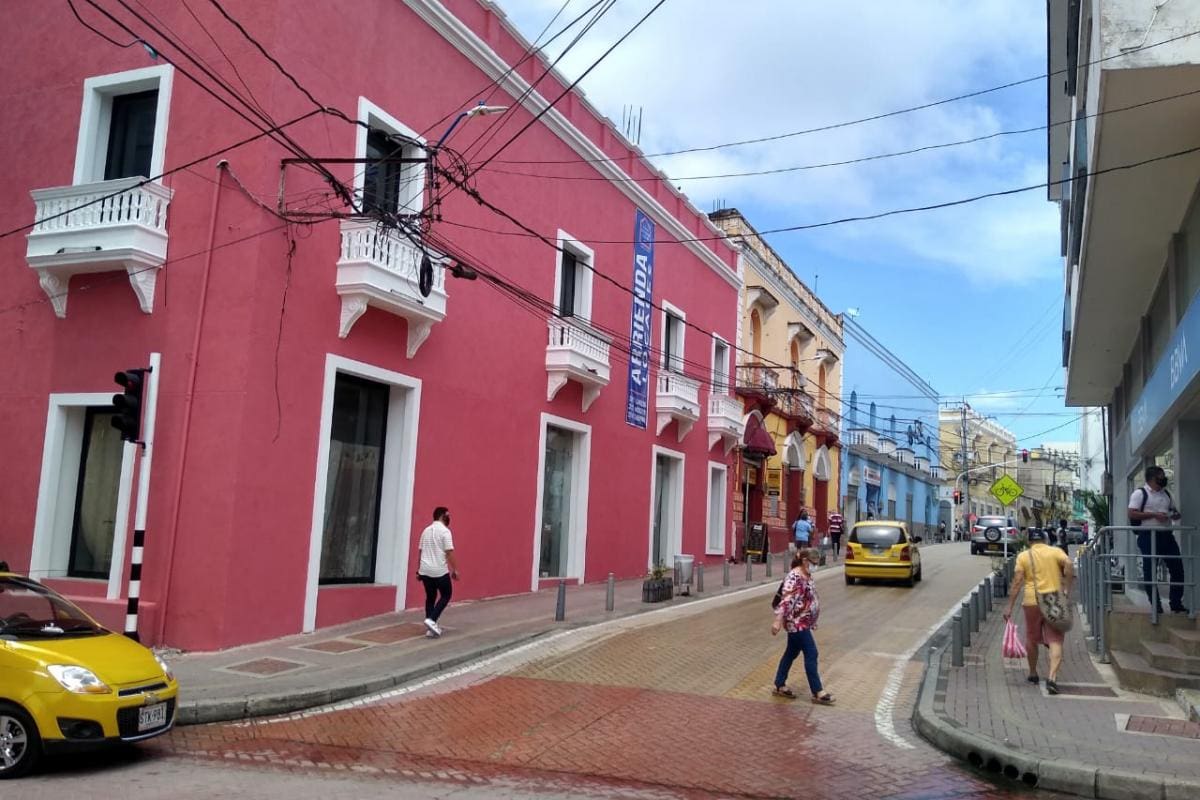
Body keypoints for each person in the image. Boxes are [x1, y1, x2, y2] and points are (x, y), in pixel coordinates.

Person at [1004, 528, 1073, 694]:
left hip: (1031, 600)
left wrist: (1010, 606)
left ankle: (1033, 673)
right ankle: (1052, 678)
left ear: (1029, 542)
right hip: (1053, 600)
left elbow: (1017, 582)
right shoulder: (1055, 552)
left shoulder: (1023, 556)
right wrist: (1066, 588)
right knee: (1056, 639)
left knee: (1032, 638)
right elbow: (1069, 564)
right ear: (1045, 540)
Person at [771, 548, 835, 705]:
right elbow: (786, 600)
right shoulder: (794, 577)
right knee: (811, 653)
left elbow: (810, 599)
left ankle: (779, 684)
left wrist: (812, 620)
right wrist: (778, 620)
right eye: (814, 563)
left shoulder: (807, 574)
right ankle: (818, 691)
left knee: (791, 652)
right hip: (795, 622)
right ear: (805, 561)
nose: (815, 566)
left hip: (803, 622)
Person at [1129, 465, 1188, 615]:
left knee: (1177, 569)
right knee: (1150, 571)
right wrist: (1154, 515)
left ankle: (1176, 603)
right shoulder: (1140, 494)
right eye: (1160, 477)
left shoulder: (1166, 494)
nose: (1163, 479)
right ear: (1152, 478)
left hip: (1166, 536)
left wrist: (1174, 515)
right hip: (1148, 536)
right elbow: (1132, 514)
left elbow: (1174, 510)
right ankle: (1156, 604)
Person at [416, 506, 460, 637]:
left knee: (430, 597)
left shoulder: (426, 531)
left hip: (425, 571)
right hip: (439, 571)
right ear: (441, 516)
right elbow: (449, 552)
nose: (449, 517)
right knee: (446, 594)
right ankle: (432, 620)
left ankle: (430, 628)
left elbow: (420, 552)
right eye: (447, 515)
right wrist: (455, 569)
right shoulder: (445, 532)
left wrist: (418, 571)